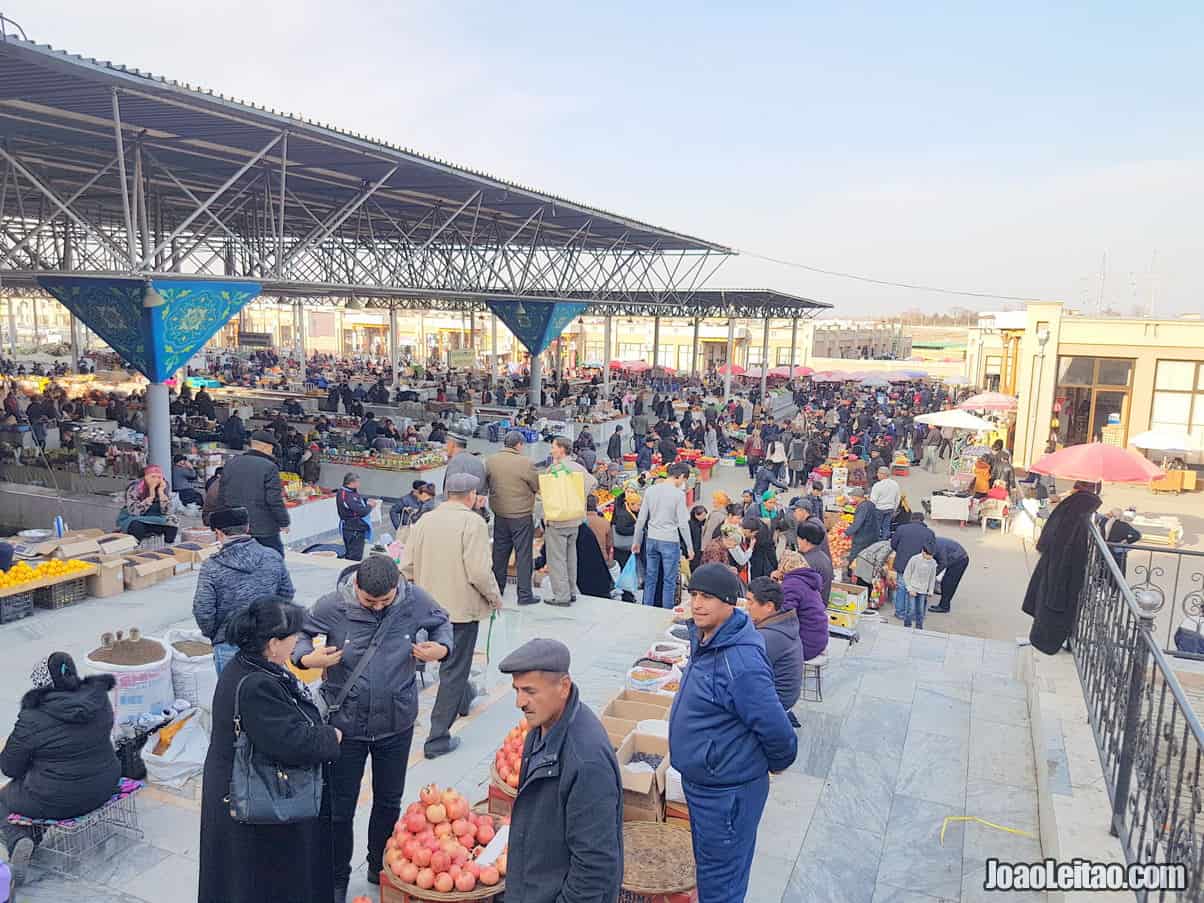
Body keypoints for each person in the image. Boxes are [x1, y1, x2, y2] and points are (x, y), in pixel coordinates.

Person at [292, 553, 452, 900]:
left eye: (385, 600)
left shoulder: (415, 600)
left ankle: (379, 864)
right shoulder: (332, 605)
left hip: (397, 721)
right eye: (370, 601)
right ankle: (336, 877)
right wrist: (307, 657)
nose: (378, 607)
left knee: (389, 801)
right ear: (356, 588)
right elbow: (301, 635)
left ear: (397, 588)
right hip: (345, 726)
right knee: (338, 808)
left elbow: (442, 622)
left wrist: (441, 648)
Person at [198, 598, 343, 903]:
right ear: (274, 643)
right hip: (252, 794)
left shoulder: (247, 665)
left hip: (240, 784)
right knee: (260, 880)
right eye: (294, 636)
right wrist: (330, 737)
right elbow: (289, 742)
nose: (299, 642)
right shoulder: (255, 685)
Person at [669, 563, 798, 902]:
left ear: (730, 603)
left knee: (721, 882)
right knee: (712, 868)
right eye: (694, 594)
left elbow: (777, 729)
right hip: (708, 785)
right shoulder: (709, 638)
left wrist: (772, 763)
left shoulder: (740, 662)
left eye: (708, 597)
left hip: (727, 794)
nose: (697, 604)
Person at [500, 639, 623, 903]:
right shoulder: (542, 728)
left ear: (563, 686)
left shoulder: (586, 760)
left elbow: (594, 863)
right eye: (517, 690)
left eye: (530, 691)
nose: (520, 702)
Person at [402, 473, 502, 759]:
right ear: (471, 495)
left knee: (449, 668)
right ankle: (437, 738)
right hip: (460, 611)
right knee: (454, 670)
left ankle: (462, 700)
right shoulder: (473, 523)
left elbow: (406, 565)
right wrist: (494, 598)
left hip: (426, 609)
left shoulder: (424, 521)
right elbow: (480, 572)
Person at [0, 653, 121, 888]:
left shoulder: (33, 717)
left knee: (7, 798)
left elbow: (9, 767)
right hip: (105, 786)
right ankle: (29, 836)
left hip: (59, 800)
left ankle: (20, 838)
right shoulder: (98, 698)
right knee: (44, 786)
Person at [193, 506, 297, 673]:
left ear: (219, 533)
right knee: (268, 692)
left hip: (228, 642)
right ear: (247, 528)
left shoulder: (211, 566)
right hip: (268, 641)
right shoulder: (272, 556)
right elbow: (287, 595)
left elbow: (203, 610)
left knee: (233, 694)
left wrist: (217, 634)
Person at [1022, 483, 1103, 654]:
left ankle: (1045, 639)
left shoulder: (1070, 506)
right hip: (1064, 571)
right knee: (1059, 609)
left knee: (1048, 607)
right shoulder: (1080, 510)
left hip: (1054, 567)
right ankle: (1054, 641)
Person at [487, 431, 542, 606]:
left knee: (499, 553)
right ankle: (524, 595)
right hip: (521, 515)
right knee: (523, 554)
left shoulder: (491, 461)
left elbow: (487, 483)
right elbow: (536, 486)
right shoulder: (526, 463)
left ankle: (497, 590)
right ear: (519, 444)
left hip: (500, 513)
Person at [543, 437, 598, 608]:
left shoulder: (554, 469)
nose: (551, 450)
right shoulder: (578, 467)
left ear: (561, 449)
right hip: (575, 520)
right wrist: (578, 497)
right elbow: (593, 483)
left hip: (558, 520)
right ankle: (572, 591)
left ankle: (561, 596)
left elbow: (546, 492)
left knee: (557, 559)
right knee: (571, 556)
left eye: (553, 447)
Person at [219, 430, 290, 555]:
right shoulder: (269, 467)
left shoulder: (231, 463)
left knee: (239, 561)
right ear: (266, 446)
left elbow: (222, 496)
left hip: (236, 524)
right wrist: (284, 522)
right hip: (263, 527)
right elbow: (273, 499)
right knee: (273, 561)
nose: (272, 452)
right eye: (271, 448)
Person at [632, 463, 694, 608]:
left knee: (651, 577)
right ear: (680, 477)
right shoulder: (678, 495)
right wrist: (689, 547)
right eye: (684, 480)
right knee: (669, 580)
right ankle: (666, 612)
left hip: (651, 539)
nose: (683, 484)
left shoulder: (650, 491)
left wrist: (636, 541)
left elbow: (641, 519)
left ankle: (646, 607)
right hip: (670, 540)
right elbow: (683, 524)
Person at [747, 576, 803, 724]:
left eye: (750, 602)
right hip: (784, 698)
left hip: (775, 705)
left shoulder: (768, 637)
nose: (747, 607)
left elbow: (738, 668)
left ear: (769, 606)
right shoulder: (783, 620)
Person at [890, 513, 937, 621]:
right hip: (920, 567)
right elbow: (931, 550)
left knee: (902, 587)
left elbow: (893, 544)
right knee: (918, 589)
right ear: (922, 520)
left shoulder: (901, 529)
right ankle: (915, 615)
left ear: (911, 519)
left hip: (902, 563)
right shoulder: (929, 533)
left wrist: (901, 551)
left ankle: (900, 613)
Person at [117, 464, 178, 543]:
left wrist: (161, 494)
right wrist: (151, 495)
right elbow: (134, 512)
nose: (156, 480)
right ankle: (136, 547)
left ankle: (168, 546)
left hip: (157, 517)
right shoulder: (135, 487)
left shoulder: (163, 486)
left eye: (159, 477)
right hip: (136, 518)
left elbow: (167, 512)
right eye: (153, 477)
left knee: (172, 522)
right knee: (137, 526)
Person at [336, 473, 376, 561]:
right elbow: (361, 511)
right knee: (354, 555)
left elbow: (358, 500)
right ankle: (351, 571)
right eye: (358, 482)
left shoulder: (350, 491)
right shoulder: (345, 494)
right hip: (353, 529)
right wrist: (370, 506)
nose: (359, 484)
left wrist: (366, 501)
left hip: (355, 527)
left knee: (353, 552)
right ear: (351, 483)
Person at [795, 519, 834, 604]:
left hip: (810, 608)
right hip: (821, 604)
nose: (797, 541)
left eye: (798, 538)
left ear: (805, 541)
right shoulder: (823, 556)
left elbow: (798, 590)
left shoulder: (806, 562)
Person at [902, 543, 939, 629]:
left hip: (923, 590)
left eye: (931, 555)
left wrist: (930, 590)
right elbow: (907, 574)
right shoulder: (914, 559)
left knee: (921, 611)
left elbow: (932, 577)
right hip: (913, 588)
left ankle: (919, 628)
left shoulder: (933, 563)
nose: (929, 557)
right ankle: (907, 627)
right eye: (928, 555)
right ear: (923, 552)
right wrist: (909, 588)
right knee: (910, 610)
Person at [929, 536, 969, 613]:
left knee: (948, 584)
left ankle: (944, 607)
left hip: (960, 560)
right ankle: (943, 601)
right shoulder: (932, 543)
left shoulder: (938, 548)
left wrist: (933, 575)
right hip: (954, 557)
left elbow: (943, 563)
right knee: (945, 581)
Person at [443, 433, 487, 500]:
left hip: (461, 507)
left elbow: (449, 495)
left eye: (446, 443)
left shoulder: (456, 463)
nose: (445, 447)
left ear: (452, 444)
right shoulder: (477, 460)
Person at [847, 487, 879, 562]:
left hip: (863, 536)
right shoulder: (870, 504)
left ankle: (851, 571)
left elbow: (858, 523)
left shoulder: (863, 507)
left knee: (854, 555)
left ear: (857, 497)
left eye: (852, 496)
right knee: (866, 556)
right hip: (872, 535)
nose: (851, 498)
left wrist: (846, 532)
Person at [741, 514, 778, 580]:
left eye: (746, 534)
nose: (744, 535)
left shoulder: (764, 539)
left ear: (754, 532)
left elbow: (771, 552)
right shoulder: (749, 524)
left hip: (759, 562)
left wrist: (775, 567)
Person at [869, 465, 900, 540]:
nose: (877, 475)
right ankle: (884, 541)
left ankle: (875, 541)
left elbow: (873, 500)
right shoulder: (895, 484)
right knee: (886, 526)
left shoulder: (877, 485)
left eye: (879, 473)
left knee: (877, 526)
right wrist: (894, 508)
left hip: (879, 509)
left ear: (883, 474)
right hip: (890, 508)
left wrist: (870, 510)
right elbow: (897, 498)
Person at [585, 495, 614, 566]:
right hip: (601, 557)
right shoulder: (605, 522)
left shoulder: (580, 522)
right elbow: (609, 544)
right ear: (596, 504)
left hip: (583, 558)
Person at [688, 504, 708, 574]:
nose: (704, 517)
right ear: (696, 515)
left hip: (700, 551)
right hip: (693, 552)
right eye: (703, 515)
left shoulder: (704, 523)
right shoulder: (690, 525)